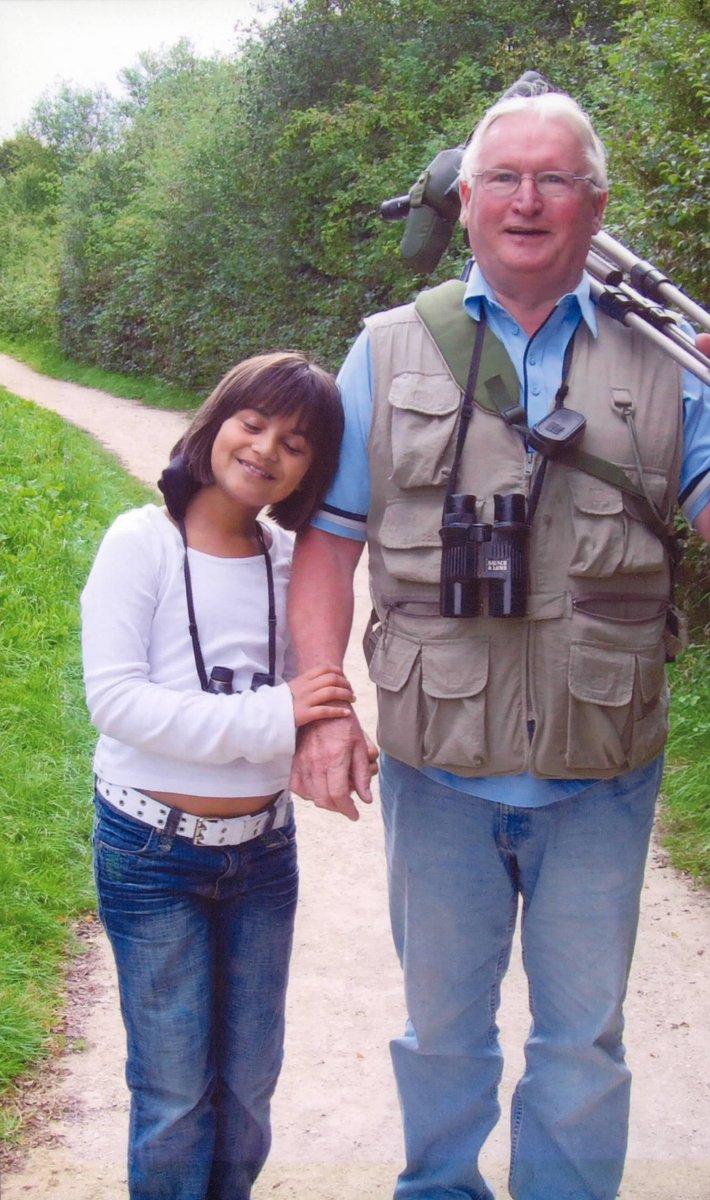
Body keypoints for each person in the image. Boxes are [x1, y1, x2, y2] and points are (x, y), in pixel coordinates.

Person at [287, 91, 710, 1200]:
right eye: (504, 179)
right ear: (464, 202)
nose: (528, 200)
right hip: (438, 762)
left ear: (593, 203)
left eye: (554, 179)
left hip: (601, 767)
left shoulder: (672, 358)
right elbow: (327, 542)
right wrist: (321, 703)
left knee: (580, 1044)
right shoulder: (386, 350)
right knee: (440, 1033)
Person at [81, 351, 357, 1200]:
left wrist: (330, 737)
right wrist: (276, 718)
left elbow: (311, 696)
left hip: (261, 858)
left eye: (297, 443)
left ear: (313, 470)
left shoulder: (286, 561)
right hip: (151, 852)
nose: (268, 448)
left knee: (246, 1090)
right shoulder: (143, 543)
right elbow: (119, 702)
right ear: (214, 420)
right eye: (253, 422)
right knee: (171, 1094)